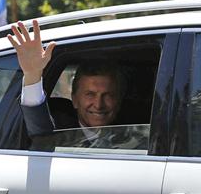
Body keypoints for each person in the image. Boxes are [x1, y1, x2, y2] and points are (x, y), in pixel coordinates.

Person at [7, 20, 129, 148]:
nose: (98, 105)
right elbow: (40, 131)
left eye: (107, 95)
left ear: (118, 100)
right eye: (90, 94)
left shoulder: (137, 133)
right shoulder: (60, 132)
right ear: (74, 99)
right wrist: (32, 74)